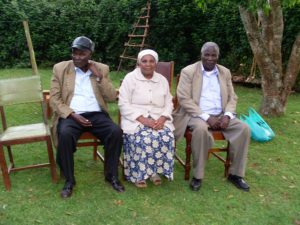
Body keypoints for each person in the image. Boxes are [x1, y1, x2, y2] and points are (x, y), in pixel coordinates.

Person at [50, 36, 125, 198]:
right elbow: (54, 99)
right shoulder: (60, 69)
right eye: (74, 53)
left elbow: (112, 97)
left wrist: (99, 77)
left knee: (115, 132)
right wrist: (73, 115)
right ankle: (69, 180)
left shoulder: (102, 69)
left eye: (82, 54)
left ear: (90, 54)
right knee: (65, 134)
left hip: (96, 114)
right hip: (71, 114)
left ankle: (111, 175)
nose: (77, 57)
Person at [173, 42, 251, 192]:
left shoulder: (225, 72)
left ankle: (235, 174)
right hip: (196, 114)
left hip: (221, 114)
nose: (210, 58)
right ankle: (198, 176)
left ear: (217, 57)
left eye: (213, 55)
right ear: (201, 56)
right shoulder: (188, 71)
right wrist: (207, 117)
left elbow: (232, 97)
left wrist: (227, 115)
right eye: (206, 55)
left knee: (244, 129)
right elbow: (183, 98)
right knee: (201, 130)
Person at [118, 49, 175, 188]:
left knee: (166, 136)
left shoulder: (162, 80)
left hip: (158, 118)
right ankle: (139, 174)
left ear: (156, 63)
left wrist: (163, 118)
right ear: (139, 63)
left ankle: (154, 171)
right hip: (135, 119)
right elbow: (122, 103)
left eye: (151, 61)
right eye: (144, 61)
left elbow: (169, 102)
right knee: (144, 138)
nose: (148, 64)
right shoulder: (130, 78)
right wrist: (143, 120)